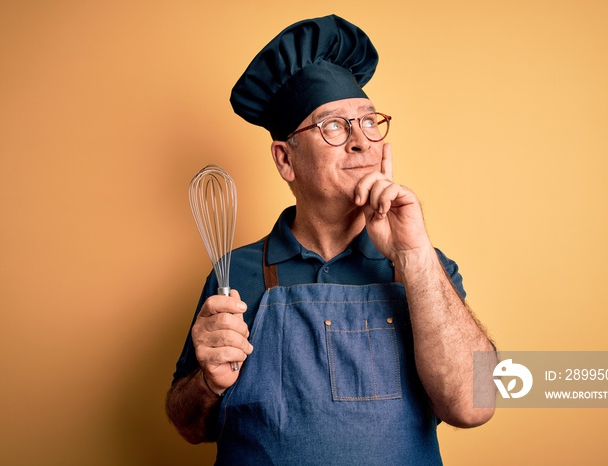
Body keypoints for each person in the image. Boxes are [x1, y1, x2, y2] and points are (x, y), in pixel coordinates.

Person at [166, 15, 496, 465]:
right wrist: (206, 384)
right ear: (286, 160)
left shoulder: (426, 268)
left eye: (368, 122)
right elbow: (189, 426)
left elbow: (475, 405)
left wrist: (413, 255)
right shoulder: (233, 274)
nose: (362, 141)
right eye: (334, 126)